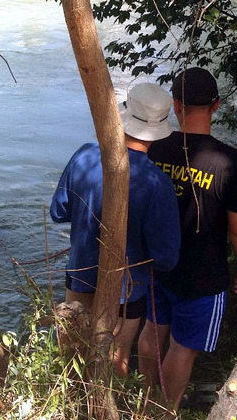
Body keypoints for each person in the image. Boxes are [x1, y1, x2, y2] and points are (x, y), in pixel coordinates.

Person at [138, 67, 237, 410]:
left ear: (176, 106)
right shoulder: (233, 164)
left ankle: (145, 398)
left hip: (157, 263)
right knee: (182, 347)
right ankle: (165, 411)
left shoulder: (154, 150)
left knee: (153, 329)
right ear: (216, 105)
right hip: (203, 274)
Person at [50, 83, 181, 376]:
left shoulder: (84, 156)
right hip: (127, 290)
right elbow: (166, 258)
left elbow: (58, 212)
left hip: (80, 276)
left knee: (71, 353)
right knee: (115, 360)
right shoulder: (158, 183)